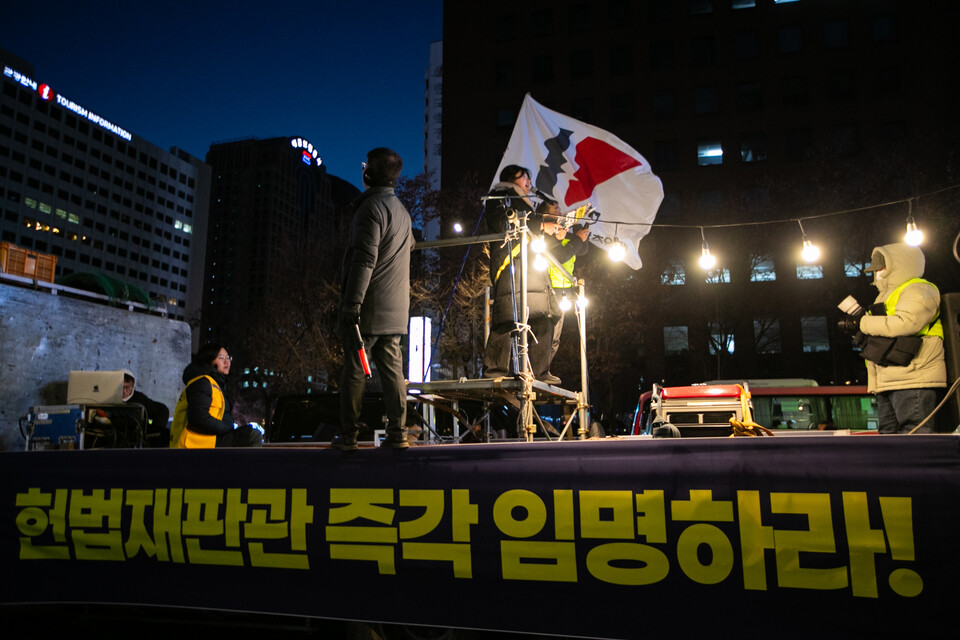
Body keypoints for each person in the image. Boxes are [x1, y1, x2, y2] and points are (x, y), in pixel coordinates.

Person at [334, 147, 413, 451]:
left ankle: (349, 435)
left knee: (355, 370)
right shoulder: (403, 213)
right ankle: (398, 434)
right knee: (393, 372)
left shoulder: (370, 209)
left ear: (370, 173)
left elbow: (364, 260)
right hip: (396, 310)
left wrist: (352, 304)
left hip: (369, 306)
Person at [483, 165, 561, 383]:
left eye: (528, 176)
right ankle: (495, 371)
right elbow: (502, 224)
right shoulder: (499, 196)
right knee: (507, 318)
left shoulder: (528, 202)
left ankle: (540, 372)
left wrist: (551, 231)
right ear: (511, 178)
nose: (528, 180)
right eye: (523, 176)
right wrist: (540, 224)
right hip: (511, 264)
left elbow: (533, 232)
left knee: (544, 316)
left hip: (532, 266)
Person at [857, 243, 946, 433]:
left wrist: (863, 324)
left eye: (882, 268)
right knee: (891, 439)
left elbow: (906, 323)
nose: (878, 273)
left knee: (914, 436)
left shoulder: (919, 289)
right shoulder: (884, 296)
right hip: (890, 377)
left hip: (913, 377)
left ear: (899, 265)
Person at [169, 343, 262, 448]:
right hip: (197, 443)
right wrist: (227, 427)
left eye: (228, 357)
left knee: (248, 433)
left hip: (209, 439)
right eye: (221, 357)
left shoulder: (214, 384)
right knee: (252, 435)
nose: (227, 361)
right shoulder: (203, 382)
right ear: (209, 360)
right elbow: (198, 418)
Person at [541, 201, 590, 382]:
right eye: (555, 208)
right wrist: (577, 238)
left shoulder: (565, 232)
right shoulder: (545, 235)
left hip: (565, 292)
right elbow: (561, 256)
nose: (559, 211)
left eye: (560, 208)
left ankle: (543, 371)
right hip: (546, 289)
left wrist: (576, 225)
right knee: (544, 335)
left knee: (554, 338)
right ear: (545, 215)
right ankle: (537, 371)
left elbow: (583, 249)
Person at [121, 369, 170, 447]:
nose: (124, 391)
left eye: (127, 387)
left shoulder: (139, 398)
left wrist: (151, 429)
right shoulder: (107, 399)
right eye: (121, 388)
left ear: (133, 386)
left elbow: (162, 410)